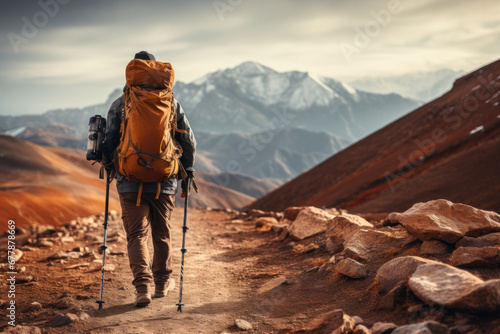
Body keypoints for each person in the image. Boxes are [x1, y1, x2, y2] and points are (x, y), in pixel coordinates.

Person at [101, 51, 196, 307]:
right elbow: (188, 140)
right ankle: (163, 284)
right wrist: (187, 170)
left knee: (136, 235)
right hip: (165, 179)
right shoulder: (171, 103)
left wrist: (110, 165)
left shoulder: (121, 103)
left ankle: (142, 288)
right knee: (161, 233)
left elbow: (108, 141)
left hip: (129, 178)